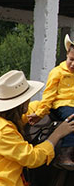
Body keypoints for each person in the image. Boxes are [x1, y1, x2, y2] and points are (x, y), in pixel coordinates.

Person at [27, 34, 74, 167]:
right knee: (72, 119)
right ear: (67, 55)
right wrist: (41, 112)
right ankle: (65, 152)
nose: (73, 64)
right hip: (61, 105)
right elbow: (49, 94)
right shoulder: (57, 72)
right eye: (71, 59)